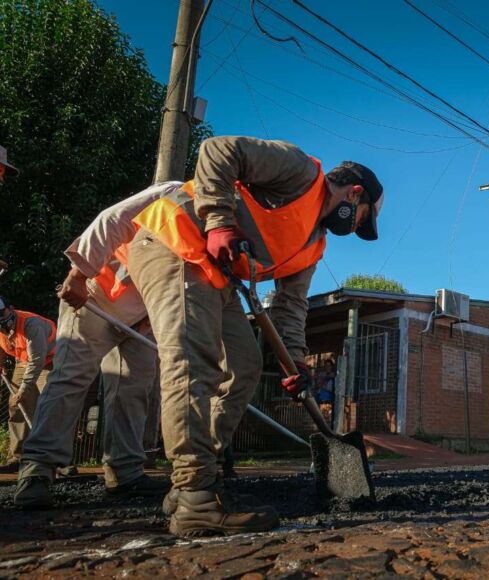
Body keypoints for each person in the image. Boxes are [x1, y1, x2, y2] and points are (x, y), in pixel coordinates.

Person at [126, 136, 384, 536]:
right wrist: (218, 221)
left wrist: (295, 360)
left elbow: (290, 306)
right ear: (354, 193)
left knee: (243, 364)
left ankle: (195, 479)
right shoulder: (301, 172)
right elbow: (217, 149)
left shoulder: (313, 246)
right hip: (175, 242)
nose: (355, 227)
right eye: (362, 218)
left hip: (217, 276)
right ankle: (196, 495)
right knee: (195, 360)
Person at [13, 183, 179, 508]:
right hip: (93, 295)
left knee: (134, 389)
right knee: (70, 378)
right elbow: (111, 219)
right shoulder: (174, 193)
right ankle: (37, 471)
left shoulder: (226, 231)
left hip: (144, 316)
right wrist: (77, 276)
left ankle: (125, 472)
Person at [0, 299, 55, 473]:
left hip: (51, 361)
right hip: (24, 362)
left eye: (1, 313)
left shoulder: (32, 325)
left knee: (51, 407)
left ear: (10, 309)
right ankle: (18, 456)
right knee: (16, 406)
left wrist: (24, 390)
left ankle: (58, 460)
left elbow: (37, 361)